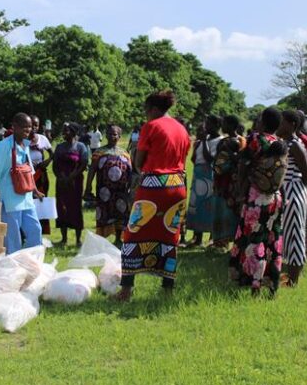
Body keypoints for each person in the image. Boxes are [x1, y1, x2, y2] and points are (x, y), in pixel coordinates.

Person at [117, 91, 191, 302]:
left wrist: (143, 171)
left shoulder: (151, 126)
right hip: (177, 186)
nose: (146, 114)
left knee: (133, 234)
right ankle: (167, 289)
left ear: (154, 109)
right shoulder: (182, 129)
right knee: (169, 236)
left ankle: (126, 291)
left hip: (153, 187)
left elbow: (139, 162)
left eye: (146, 110)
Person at [229, 107, 286, 297]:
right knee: (273, 238)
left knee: (255, 240)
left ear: (262, 121)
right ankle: (273, 284)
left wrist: (239, 192)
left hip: (256, 197)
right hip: (275, 198)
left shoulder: (255, 139)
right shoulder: (280, 142)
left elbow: (243, 165)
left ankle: (254, 284)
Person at [0, 113, 44, 254]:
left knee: (35, 230)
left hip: (26, 198)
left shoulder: (25, 145)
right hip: (10, 199)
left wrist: (36, 191)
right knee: (13, 238)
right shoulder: (3, 146)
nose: (28, 131)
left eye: (30, 127)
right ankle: (12, 265)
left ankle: (31, 260)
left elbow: (29, 171)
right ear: (15, 127)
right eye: (25, 128)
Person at [276, 110, 307, 286]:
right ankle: (287, 276)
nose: (279, 125)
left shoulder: (296, 145)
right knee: (285, 234)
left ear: (292, 125)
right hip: (285, 190)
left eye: (282, 122)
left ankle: (293, 280)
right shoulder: (284, 143)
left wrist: (294, 187)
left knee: (295, 235)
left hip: (294, 191)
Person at [84, 125, 132, 244]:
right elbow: (92, 170)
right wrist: (88, 187)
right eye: (110, 134)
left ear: (119, 136)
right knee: (104, 213)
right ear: (106, 135)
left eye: (115, 134)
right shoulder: (99, 152)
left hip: (121, 191)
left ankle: (118, 239)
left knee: (120, 212)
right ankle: (102, 240)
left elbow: (130, 171)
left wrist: (130, 187)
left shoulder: (125, 153)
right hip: (104, 191)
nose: (112, 136)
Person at [185, 115, 224, 248]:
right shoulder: (202, 140)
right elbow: (194, 159)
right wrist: (199, 143)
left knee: (209, 207)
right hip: (198, 175)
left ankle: (212, 238)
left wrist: (204, 142)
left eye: (208, 123)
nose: (206, 126)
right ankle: (198, 238)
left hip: (210, 175)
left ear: (216, 125)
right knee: (197, 206)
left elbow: (210, 158)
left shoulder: (220, 141)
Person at [53, 123, 89, 247]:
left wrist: (72, 176)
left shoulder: (81, 147)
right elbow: (55, 165)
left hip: (76, 183)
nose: (64, 133)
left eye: (67, 131)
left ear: (74, 132)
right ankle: (64, 239)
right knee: (62, 208)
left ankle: (78, 240)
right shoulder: (59, 147)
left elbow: (84, 163)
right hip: (62, 183)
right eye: (63, 131)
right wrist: (61, 177)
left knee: (76, 208)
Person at [212, 115, 246, 248]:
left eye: (225, 124)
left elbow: (241, 160)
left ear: (232, 125)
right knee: (220, 208)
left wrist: (231, 156)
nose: (222, 126)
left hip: (232, 181)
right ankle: (220, 242)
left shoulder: (240, 141)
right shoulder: (224, 141)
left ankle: (232, 239)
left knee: (231, 210)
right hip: (220, 179)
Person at [29, 116, 54, 235]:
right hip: (27, 176)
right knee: (28, 202)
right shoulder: (22, 139)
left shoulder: (43, 139)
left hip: (40, 175)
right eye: (31, 124)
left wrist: (46, 162)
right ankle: (28, 230)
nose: (34, 127)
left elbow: (52, 154)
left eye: (36, 125)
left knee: (40, 201)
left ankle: (41, 231)